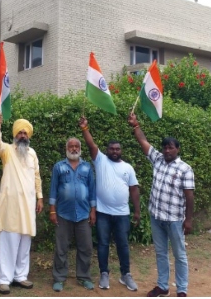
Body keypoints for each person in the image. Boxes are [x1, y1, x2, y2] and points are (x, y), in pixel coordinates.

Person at [127, 113, 195, 298]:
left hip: (174, 220)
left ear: (177, 149)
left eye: (170, 148)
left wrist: (188, 220)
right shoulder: (158, 160)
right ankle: (162, 286)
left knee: (180, 255)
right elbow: (144, 142)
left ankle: (181, 290)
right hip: (156, 218)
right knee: (160, 253)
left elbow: (189, 197)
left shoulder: (185, 169)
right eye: (165, 147)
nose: (166, 151)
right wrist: (135, 125)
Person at [79, 116, 141, 291]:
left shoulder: (128, 168)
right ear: (107, 151)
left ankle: (125, 275)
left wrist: (137, 211)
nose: (115, 151)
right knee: (103, 244)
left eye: (117, 149)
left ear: (121, 151)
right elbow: (91, 145)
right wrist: (85, 128)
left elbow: (134, 190)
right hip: (103, 212)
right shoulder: (100, 161)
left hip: (122, 214)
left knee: (123, 245)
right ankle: (104, 273)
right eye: (112, 149)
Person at [0, 114, 44, 295]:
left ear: (28, 136)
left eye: (25, 133)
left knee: (24, 241)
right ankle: (4, 279)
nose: (22, 135)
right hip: (11, 206)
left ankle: (20, 276)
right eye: (20, 132)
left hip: (28, 206)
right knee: (9, 242)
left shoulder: (32, 153)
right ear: (15, 135)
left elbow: (37, 176)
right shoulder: (7, 150)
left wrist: (40, 197)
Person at [48, 137, 97, 292]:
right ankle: (59, 278)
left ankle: (83, 277)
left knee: (86, 247)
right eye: (71, 146)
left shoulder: (87, 167)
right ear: (67, 148)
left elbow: (92, 190)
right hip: (63, 214)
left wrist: (93, 210)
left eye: (77, 146)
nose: (74, 149)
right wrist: (52, 210)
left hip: (83, 214)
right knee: (61, 247)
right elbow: (53, 189)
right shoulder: (59, 167)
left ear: (80, 148)